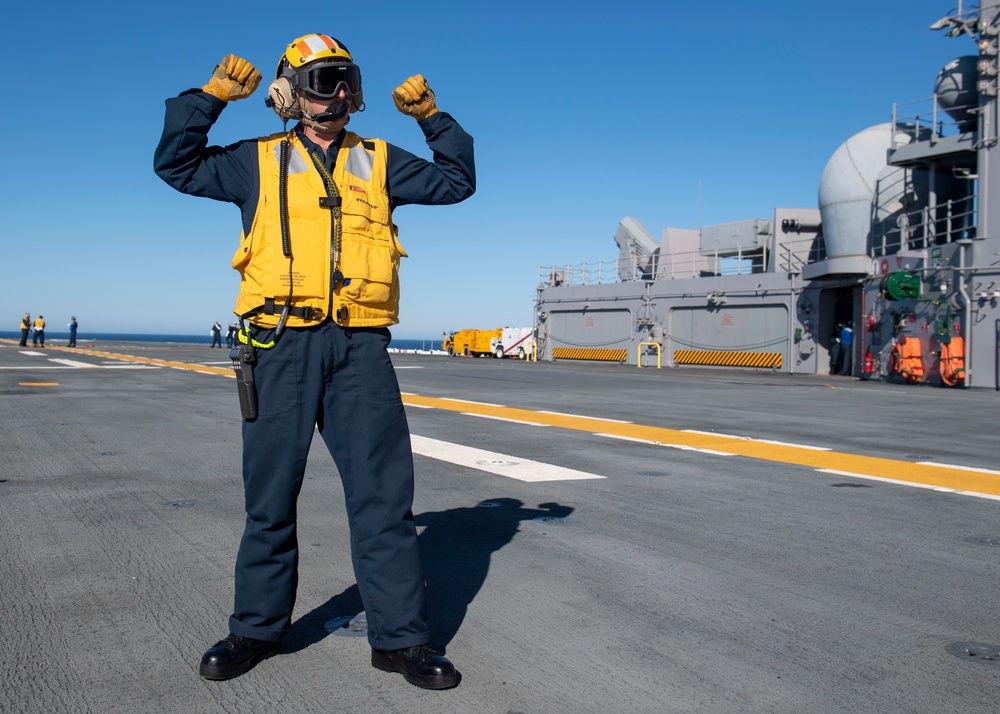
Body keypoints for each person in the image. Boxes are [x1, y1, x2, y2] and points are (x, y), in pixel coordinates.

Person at [154, 34, 475, 688]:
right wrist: (212, 97)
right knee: (269, 498)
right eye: (322, 80)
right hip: (280, 345)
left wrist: (430, 116)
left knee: (385, 500)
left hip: (360, 350)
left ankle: (401, 641)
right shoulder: (256, 161)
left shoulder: (380, 160)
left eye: (345, 80)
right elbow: (177, 163)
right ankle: (256, 630)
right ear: (288, 93)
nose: (337, 94)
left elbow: (456, 181)